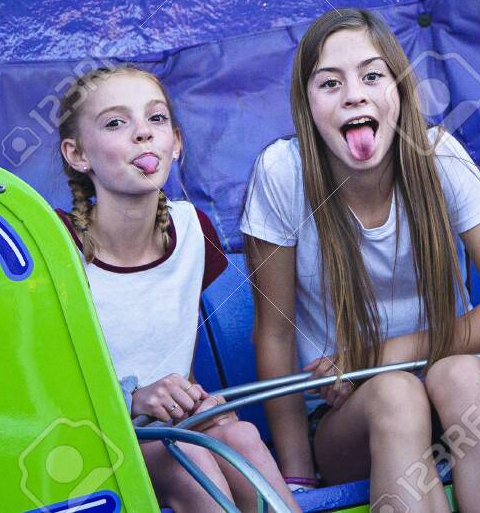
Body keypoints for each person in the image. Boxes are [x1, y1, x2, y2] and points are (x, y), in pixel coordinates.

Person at [242, 8, 480, 512]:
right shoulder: (281, 174)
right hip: (352, 423)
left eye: (371, 76)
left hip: (465, 409)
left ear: (400, 90)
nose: (354, 95)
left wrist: (377, 355)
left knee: (460, 375)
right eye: (330, 83)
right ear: (306, 105)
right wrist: (296, 479)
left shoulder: (438, 155)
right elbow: (273, 334)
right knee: (395, 393)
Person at [57, 64, 300, 513]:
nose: (143, 133)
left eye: (156, 118)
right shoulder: (53, 246)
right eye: (116, 123)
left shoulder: (192, 230)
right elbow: (40, 386)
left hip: (166, 431)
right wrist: (132, 399)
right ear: (78, 154)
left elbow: (164, 352)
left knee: (241, 435)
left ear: (176, 143)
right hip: (88, 441)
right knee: (189, 458)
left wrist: (190, 398)